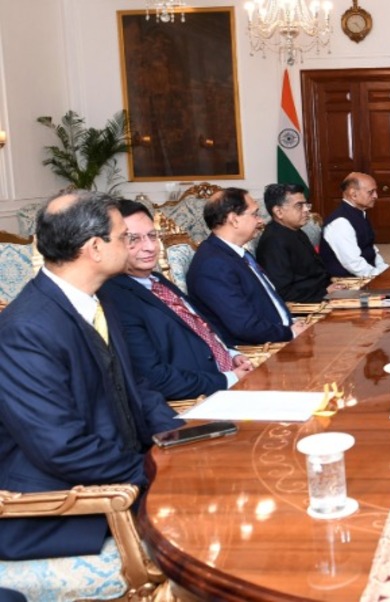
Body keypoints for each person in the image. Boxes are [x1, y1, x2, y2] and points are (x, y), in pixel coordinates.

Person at [0, 191, 182, 560]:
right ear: (95, 248)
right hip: (64, 506)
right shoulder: (26, 328)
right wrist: (155, 469)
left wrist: (179, 440)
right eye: (125, 238)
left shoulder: (100, 299)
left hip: (123, 471)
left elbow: (137, 389)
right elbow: (61, 448)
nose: (133, 245)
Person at [98, 199, 254, 400]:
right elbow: (154, 378)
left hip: (231, 379)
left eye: (152, 236)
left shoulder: (157, 279)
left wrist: (231, 355)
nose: (150, 247)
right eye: (133, 239)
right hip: (201, 399)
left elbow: (201, 326)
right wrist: (228, 379)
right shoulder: (114, 298)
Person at [187, 187, 308, 347]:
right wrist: (290, 332)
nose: (261, 221)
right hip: (260, 350)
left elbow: (264, 303)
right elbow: (245, 327)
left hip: (279, 334)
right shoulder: (212, 265)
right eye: (254, 214)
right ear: (233, 219)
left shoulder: (236, 253)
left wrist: (293, 323)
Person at [256, 183, 340, 302]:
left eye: (306, 204)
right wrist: (325, 292)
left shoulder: (295, 230)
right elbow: (282, 292)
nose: (307, 210)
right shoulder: (273, 242)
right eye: (299, 206)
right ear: (278, 212)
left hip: (325, 293)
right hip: (308, 306)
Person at [320, 172, 389, 277]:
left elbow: (371, 250)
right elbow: (354, 265)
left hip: (366, 276)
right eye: (371, 192)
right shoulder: (340, 223)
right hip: (347, 283)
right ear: (353, 194)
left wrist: (386, 270)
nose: (376, 196)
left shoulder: (360, 214)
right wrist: (382, 277)